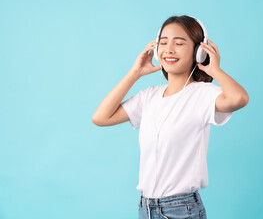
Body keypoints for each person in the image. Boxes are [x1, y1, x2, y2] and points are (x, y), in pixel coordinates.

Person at [92, 15, 249, 219]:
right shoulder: (149, 96)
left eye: (179, 43)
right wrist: (135, 72)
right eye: (163, 42)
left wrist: (214, 70)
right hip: (146, 208)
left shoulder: (202, 94)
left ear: (199, 51)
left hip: (181, 210)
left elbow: (239, 98)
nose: (169, 49)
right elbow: (101, 117)